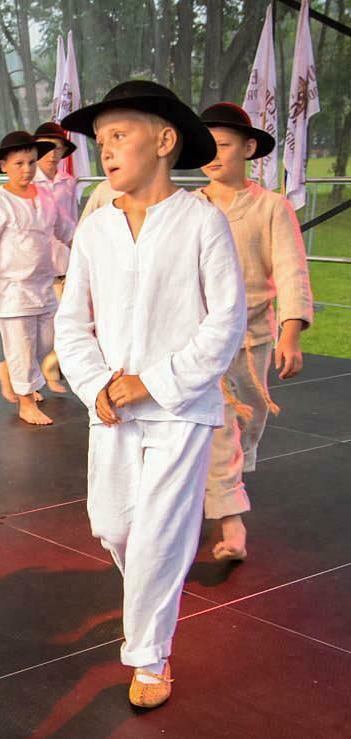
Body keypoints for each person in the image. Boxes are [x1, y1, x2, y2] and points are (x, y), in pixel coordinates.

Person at [56, 80, 246, 709]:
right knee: (113, 526)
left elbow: (225, 320)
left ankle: (150, 656)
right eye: (100, 139)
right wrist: (95, 385)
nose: (105, 150)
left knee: (160, 535)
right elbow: (71, 322)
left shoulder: (202, 221)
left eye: (119, 135)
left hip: (180, 408)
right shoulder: (95, 228)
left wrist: (156, 382)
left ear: (164, 141)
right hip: (112, 409)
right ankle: (149, 592)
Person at [196, 102, 313, 562]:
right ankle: (230, 518)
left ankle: (223, 485)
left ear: (248, 149)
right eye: (205, 145)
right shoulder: (188, 207)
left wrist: (290, 332)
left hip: (252, 338)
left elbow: (291, 269)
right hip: (199, 338)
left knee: (248, 418)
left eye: (223, 145)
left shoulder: (271, 207)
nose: (213, 154)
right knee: (218, 420)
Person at [0, 131, 71, 426]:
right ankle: (26, 402)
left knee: (47, 342)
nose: (26, 169)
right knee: (22, 347)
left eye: (31, 162)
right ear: (4, 166)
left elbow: (66, 231)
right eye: (19, 163)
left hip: (43, 285)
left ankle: (7, 369)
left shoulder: (46, 198)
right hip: (10, 289)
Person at [32, 121, 80, 239]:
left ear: (64, 151)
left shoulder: (69, 181)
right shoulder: (28, 181)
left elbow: (73, 216)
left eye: (57, 148)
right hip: (38, 242)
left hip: (64, 242)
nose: (52, 155)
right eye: (46, 149)